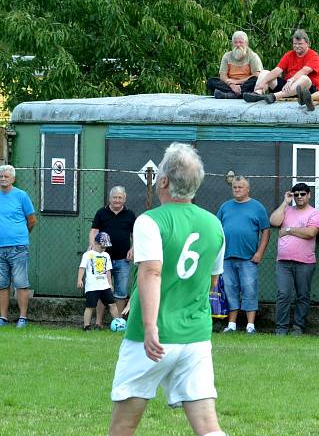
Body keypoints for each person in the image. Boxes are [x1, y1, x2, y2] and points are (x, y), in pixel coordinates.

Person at [107, 142, 227, 436]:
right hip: (195, 335)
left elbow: (151, 272)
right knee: (209, 426)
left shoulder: (150, 221)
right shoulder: (214, 224)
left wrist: (150, 327)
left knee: (123, 426)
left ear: (163, 181)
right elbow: (212, 281)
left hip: (152, 338)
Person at [216, 176, 270, 335]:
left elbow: (266, 231)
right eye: (234, 187)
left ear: (248, 189)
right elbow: (217, 229)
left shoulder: (257, 207)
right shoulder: (225, 207)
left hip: (248, 258)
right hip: (227, 258)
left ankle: (250, 326)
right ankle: (231, 325)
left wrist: (260, 252)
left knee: (249, 290)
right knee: (229, 290)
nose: (237, 190)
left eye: (240, 187)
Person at [269, 182, 319, 335]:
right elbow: (274, 221)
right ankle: (281, 328)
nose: (299, 197)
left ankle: (298, 328)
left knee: (302, 295)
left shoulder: (315, 213)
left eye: (302, 194)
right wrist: (285, 202)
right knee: (283, 294)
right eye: (296, 194)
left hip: (305, 262)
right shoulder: (287, 210)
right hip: (283, 261)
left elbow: (310, 233)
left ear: (309, 195)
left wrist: (288, 230)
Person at [90, 186, 136, 324]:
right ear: (110, 198)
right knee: (102, 291)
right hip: (103, 260)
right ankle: (98, 322)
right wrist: (93, 246)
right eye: (114, 197)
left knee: (121, 292)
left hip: (123, 260)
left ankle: (118, 322)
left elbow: (135, 235)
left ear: (124, 199)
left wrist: (133, 248)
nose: (117, 200)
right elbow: (94, 231)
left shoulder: (130, 215)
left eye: (120, 197)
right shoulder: (101, 213)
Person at [244, 29, 319, 110]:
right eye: (295, 44)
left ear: (308, 44)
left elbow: (304, 71)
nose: (297, 46)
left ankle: (274, 96)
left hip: (305, 89)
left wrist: (291, 80)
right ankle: (257, 94)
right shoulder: (289, 54)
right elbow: (277, 70)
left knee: (304, 78)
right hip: (287, 87)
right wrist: (263, 82)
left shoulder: (313, 55)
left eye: (300, 44)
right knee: (265, 72)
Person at [0, 165, 36, 328]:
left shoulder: (21, 196)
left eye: (6, 176)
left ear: (13, 178)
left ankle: (22, 318)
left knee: (21, 283)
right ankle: (3, 318)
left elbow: (32, 220)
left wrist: (20, 236)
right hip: (0, 247)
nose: (3, 179)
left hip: (18, 247)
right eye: (1, 176)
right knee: (2, 284)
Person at [77, 232, 123, 330]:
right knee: (90, 306)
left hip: (104, 285)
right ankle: (86, 326)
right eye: (102, 247)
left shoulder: (106, 255)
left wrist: (110, 284)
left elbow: (108, 271)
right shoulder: (88, 255)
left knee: (112, 304)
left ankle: (118, 324)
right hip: (92, 286)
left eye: (105, 247)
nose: (104, 249)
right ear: (95, 243)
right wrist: (79, 279)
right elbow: (82, 267)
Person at [207, 31, 263, 99]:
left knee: (256, 80)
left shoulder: (253, 56)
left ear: (246, 44)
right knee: (211, 81)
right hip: (229, 84)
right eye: (236, 42)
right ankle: (237, 94)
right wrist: (231, 85)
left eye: (241, 42)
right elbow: (222, 75)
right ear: (232, 44)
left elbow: (257, 75)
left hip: (245, 84)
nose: (238, 45)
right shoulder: (227, 56)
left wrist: (237, 82)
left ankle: (229, 94)